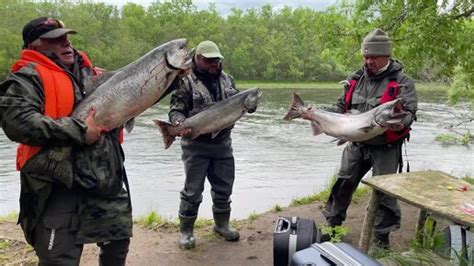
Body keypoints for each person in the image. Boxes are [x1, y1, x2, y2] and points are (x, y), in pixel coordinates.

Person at [0, 17, 132, 265]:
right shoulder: (24, 79)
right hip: (56, 185)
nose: (66, 44)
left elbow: (137, 93)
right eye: (55, 40)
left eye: (66, 38)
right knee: (58, 259)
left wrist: (171, 78)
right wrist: (79, 130)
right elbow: (18, 122)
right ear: (34, 45)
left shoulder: (92, 74)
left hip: (105, 179)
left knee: (117, 248)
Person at [322, 28, 418, 249]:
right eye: (365, 56)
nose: (368, 61)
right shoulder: (355, 79)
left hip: (386, 146)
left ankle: (381, 239)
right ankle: (332, 228)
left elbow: (410, 114)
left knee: (384, 193)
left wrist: (401, 121)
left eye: (373, 56)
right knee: (343, 183)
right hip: (356, 144)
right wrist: (319, 114)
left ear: (386, 55)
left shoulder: (403, 82)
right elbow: (340, 108)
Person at [168, 40, 240, 249]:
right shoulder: (185, 81)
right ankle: (186, 232)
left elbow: (238, 104)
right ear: (197, 59)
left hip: (223, 144)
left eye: (216, 60)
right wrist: (178, 124)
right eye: (208, 60)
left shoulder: (229, 80)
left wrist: (249, 106)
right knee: (192, 191)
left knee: (224, 187)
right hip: (195, 146)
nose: (213, 64)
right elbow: (175, 110)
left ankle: (221, 225)